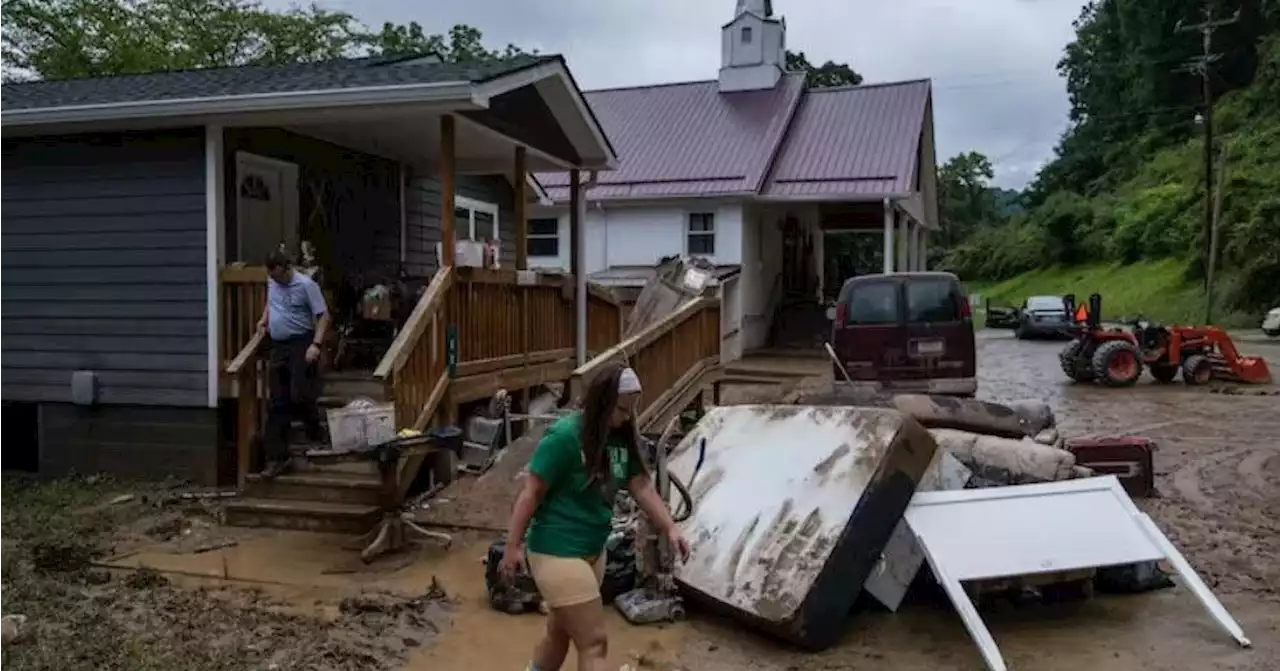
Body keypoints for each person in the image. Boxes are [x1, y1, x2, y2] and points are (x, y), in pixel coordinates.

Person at [501, 363, 691, 671]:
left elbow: (640, 485)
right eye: (621, 409)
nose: (627, 417)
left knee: (558, 636)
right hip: (556, 550)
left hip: (594, 550)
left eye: (631, 410)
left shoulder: (620, 440)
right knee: (594, 642)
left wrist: (669, 528)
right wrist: (512, 547)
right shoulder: (564, 438)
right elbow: (531, 492)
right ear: (602, 402)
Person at [257, 250, 330, 478]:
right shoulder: (272, 281)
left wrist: (316, 345)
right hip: (279, 346)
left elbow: (323, 315)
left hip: (301, 342)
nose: (276, 280)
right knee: (277, 402)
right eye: (273, 277)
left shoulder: (306, 285)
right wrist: (264, 318)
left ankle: (316, 435)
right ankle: (277, 458)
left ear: (287, 268)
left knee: (300, 395)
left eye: (279, 276)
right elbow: (272, 301)